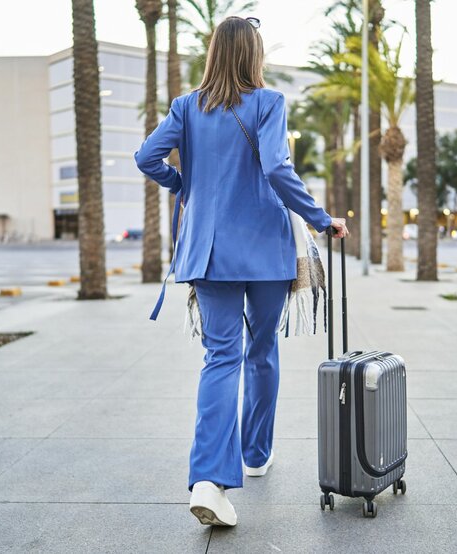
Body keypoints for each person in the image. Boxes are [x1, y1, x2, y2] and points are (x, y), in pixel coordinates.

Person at [134, 15, 348, 527]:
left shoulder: (187, 106)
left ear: (213, 54)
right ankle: (255, 454)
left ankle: (208, 479)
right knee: (262, 349)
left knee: (220, 356)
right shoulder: (268, 103)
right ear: (254, 55)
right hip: (265, 251)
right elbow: (277, 167)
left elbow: (146, 157)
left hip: (209, 254)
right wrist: (320, 220)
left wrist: (186, 186)